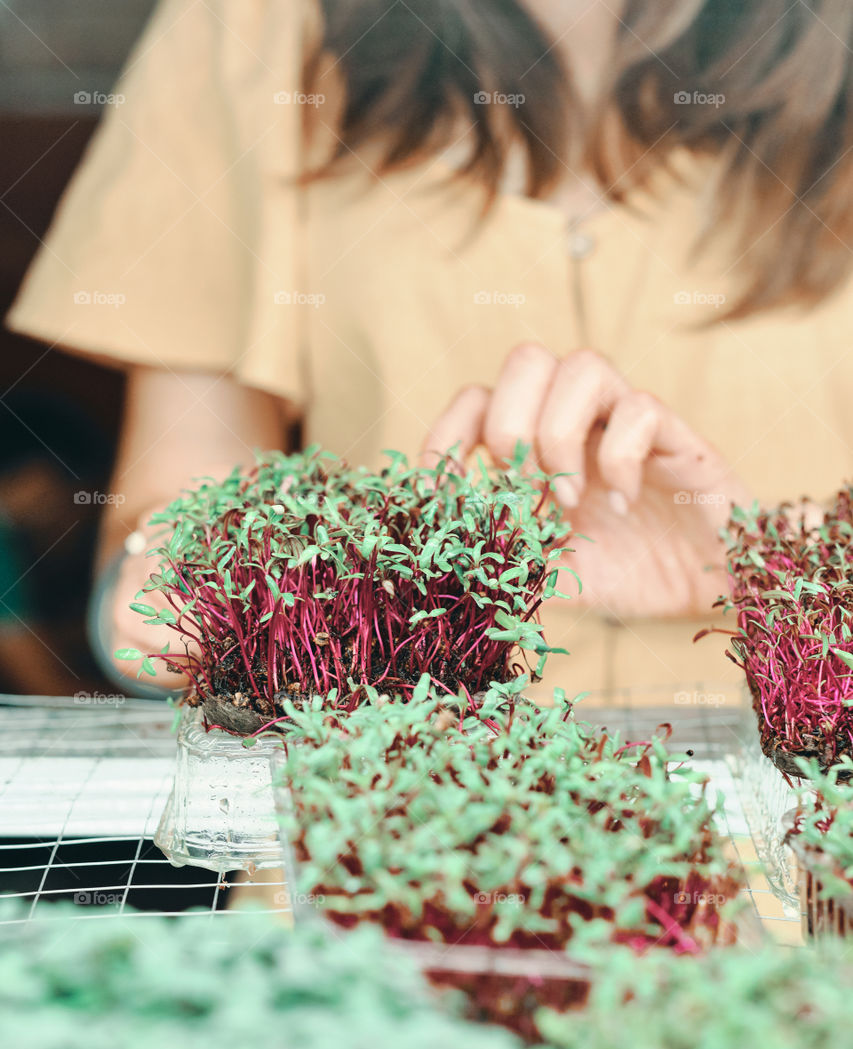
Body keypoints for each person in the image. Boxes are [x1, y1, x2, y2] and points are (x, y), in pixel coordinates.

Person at [7, 0, 853, 701]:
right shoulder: (250, 22)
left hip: (809, 873)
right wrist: (180, 605)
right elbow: (171, 511)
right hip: (357, 844)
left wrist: (765, 563)